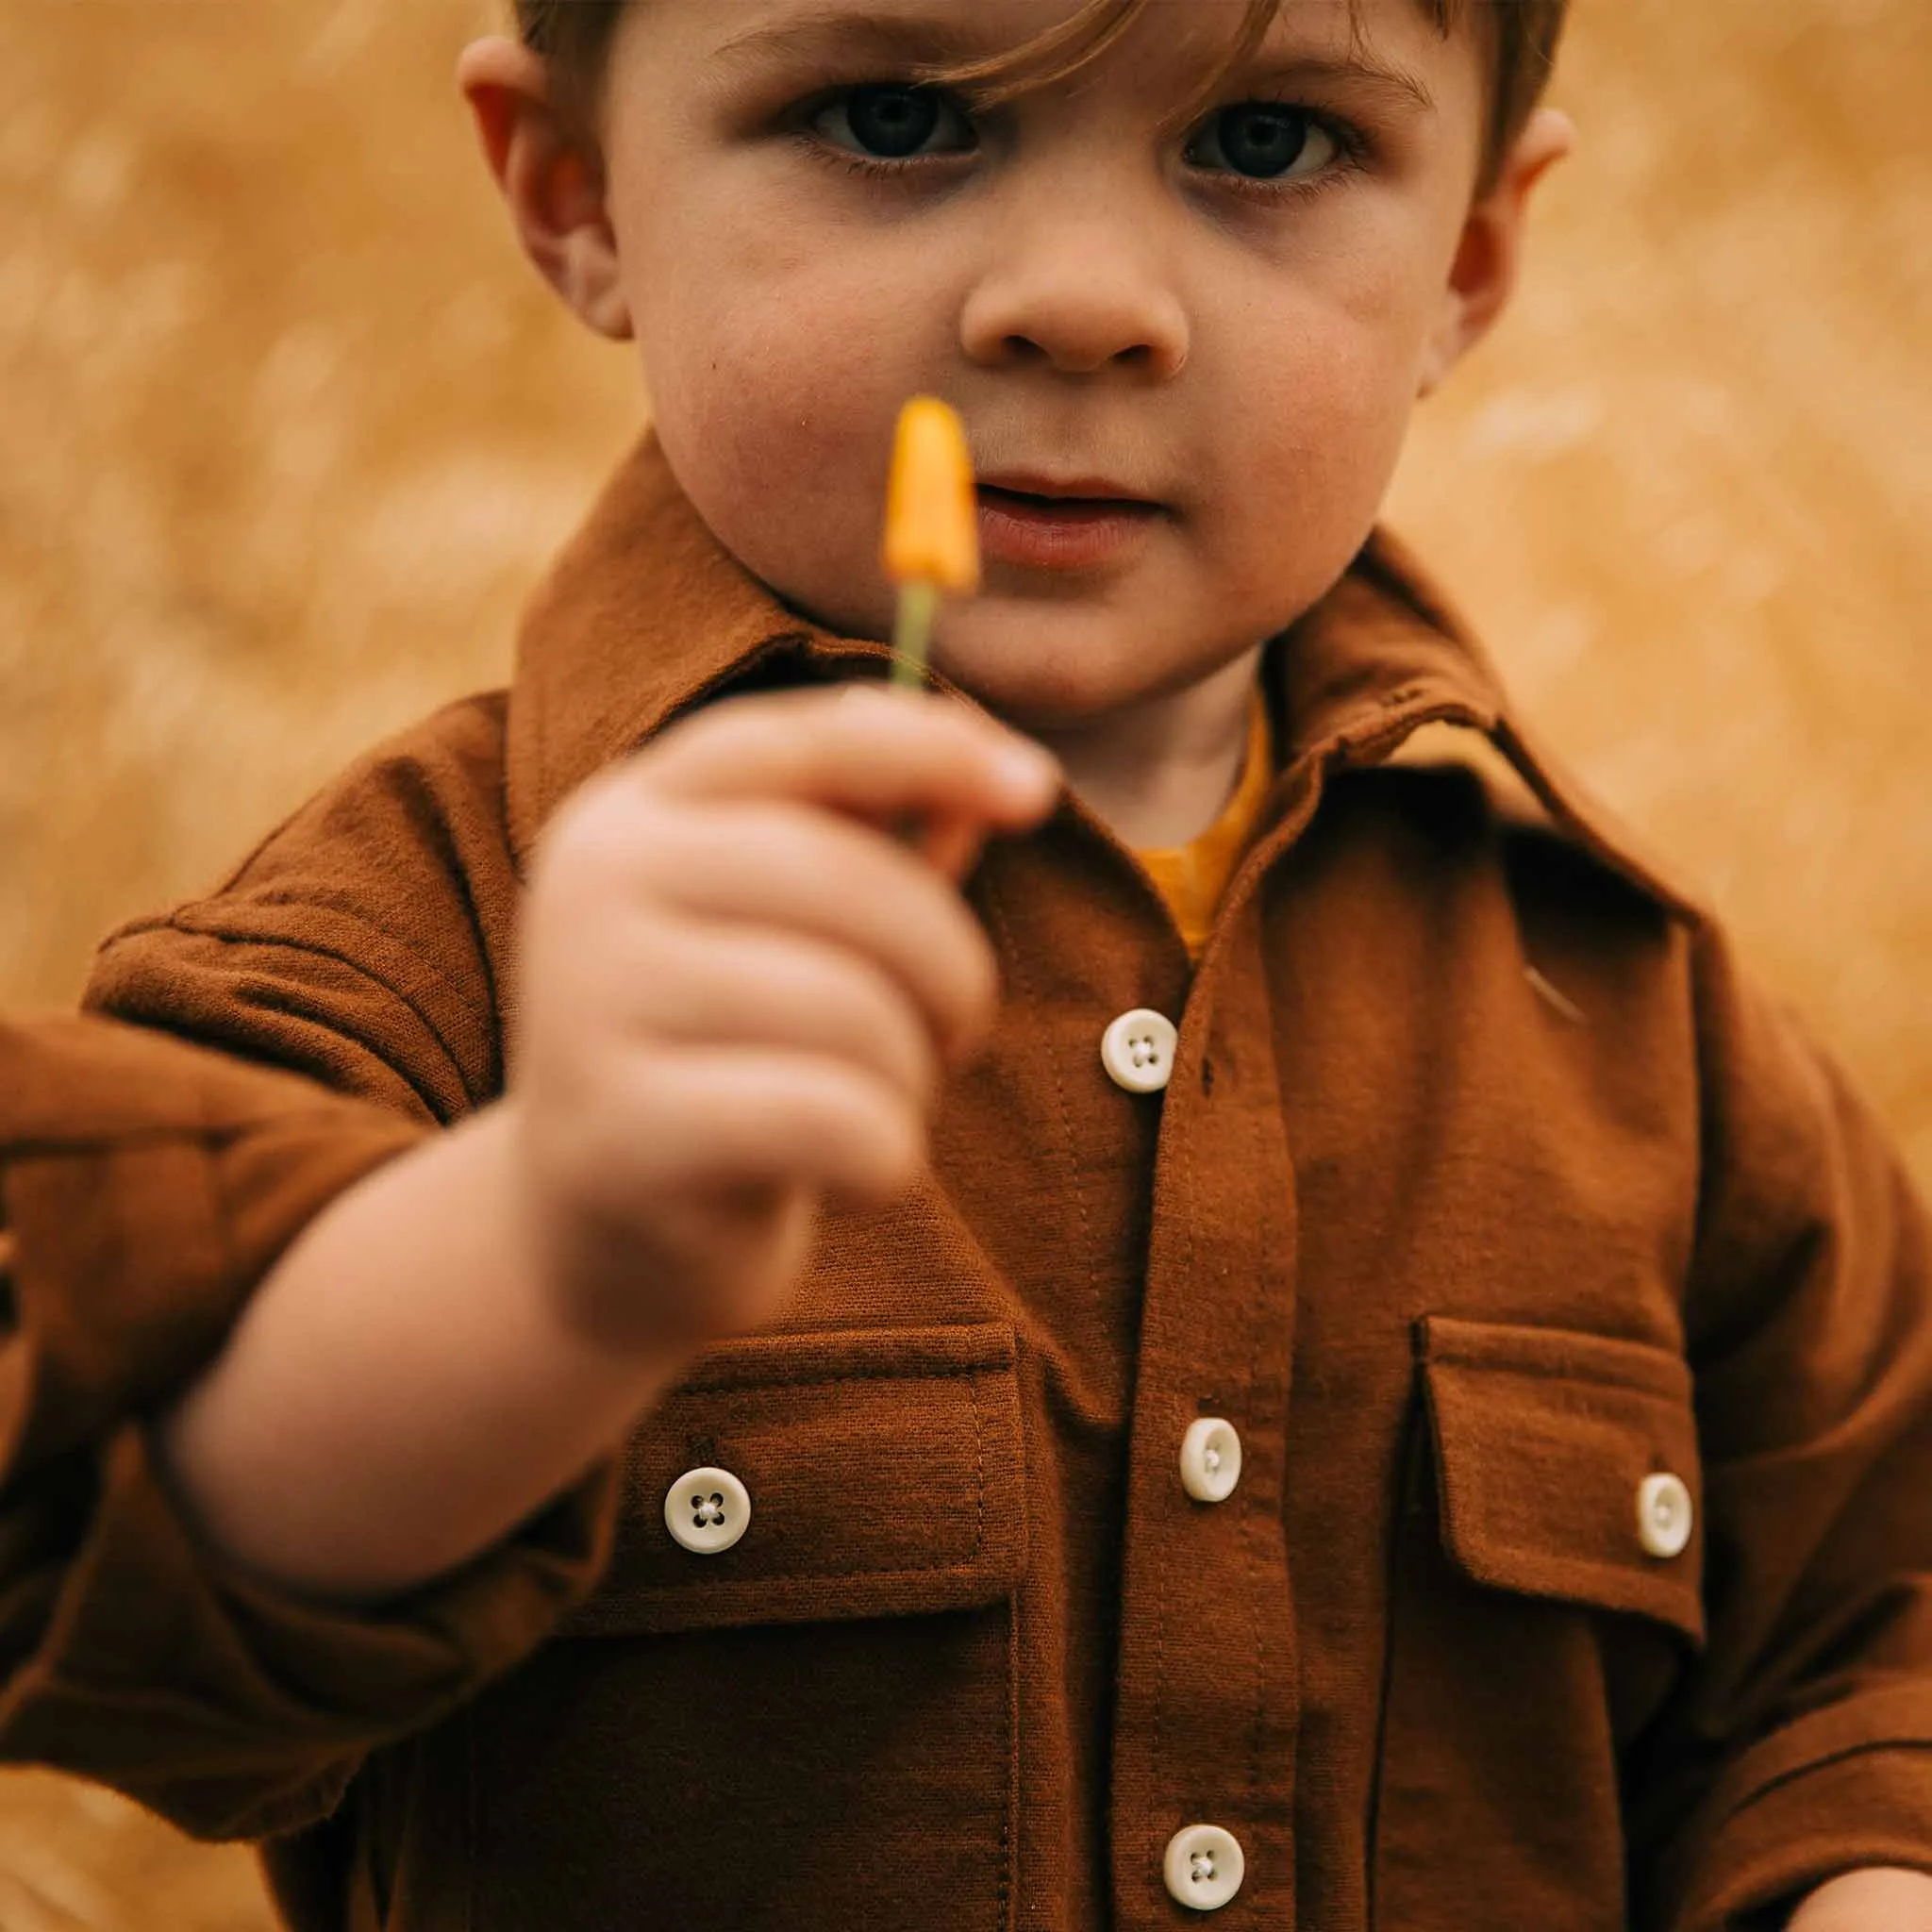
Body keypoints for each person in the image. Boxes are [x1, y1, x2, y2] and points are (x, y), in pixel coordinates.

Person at [1, 1, 1927, 1926]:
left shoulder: (1634, 1017)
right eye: (894, 114)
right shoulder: (435, 928)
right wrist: (545, 1247)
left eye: (1264, 146)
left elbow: (1856, 1644)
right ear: (577, 191)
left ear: (1469, 261)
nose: (1079, 303)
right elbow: (110, 1557)